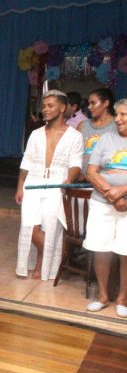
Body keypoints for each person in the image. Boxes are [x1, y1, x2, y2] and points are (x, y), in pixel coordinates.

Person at [15, 90, 83, 281]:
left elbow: (76, 164)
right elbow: (26, 162)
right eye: (44, 106)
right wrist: (20, 186)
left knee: (50, 226)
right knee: (30, 227)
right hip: (33, 182)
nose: (45, 109)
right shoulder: (36, 134)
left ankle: (42, 263)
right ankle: (58, 256)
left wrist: (69, 180)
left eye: (50, 105)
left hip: (57, 184)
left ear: (62, 108)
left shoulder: (74, 136)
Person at [83, 98, 127, 318]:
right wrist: (112, 195)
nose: (117, 119)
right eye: (117, 114)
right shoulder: (105, 139)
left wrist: (122, 191)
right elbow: (91, 172)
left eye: (123, 114)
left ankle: (122, 299)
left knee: (126, 251)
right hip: (102, 202)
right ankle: (102, 296)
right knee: (101, 249)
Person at [78, 88, 117, 178]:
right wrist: (78, 174)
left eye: (93, 103)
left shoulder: (117, 125)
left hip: (107, 181)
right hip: (81, 180)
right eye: (89, 103)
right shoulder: (82, 125)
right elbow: (74, 153)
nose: (89, 107)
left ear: (106, 103)